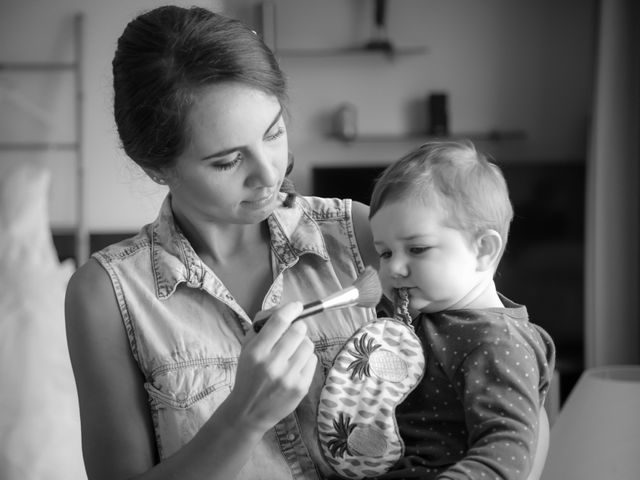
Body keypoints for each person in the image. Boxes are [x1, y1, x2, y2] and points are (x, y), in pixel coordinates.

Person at [64, 6, 381, 480]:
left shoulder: (361, 235)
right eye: (228, 161)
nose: (269, 173)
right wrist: (243, 418)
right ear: (156, 167)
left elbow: (513, 378)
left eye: (273, 132)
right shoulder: (106, 296)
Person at [367, 140, 556, 479]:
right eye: (385, 253)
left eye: (417, 248)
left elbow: (505, 457)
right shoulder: (422, 312)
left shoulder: (497, 343)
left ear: (483, 250)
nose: (394, 268)